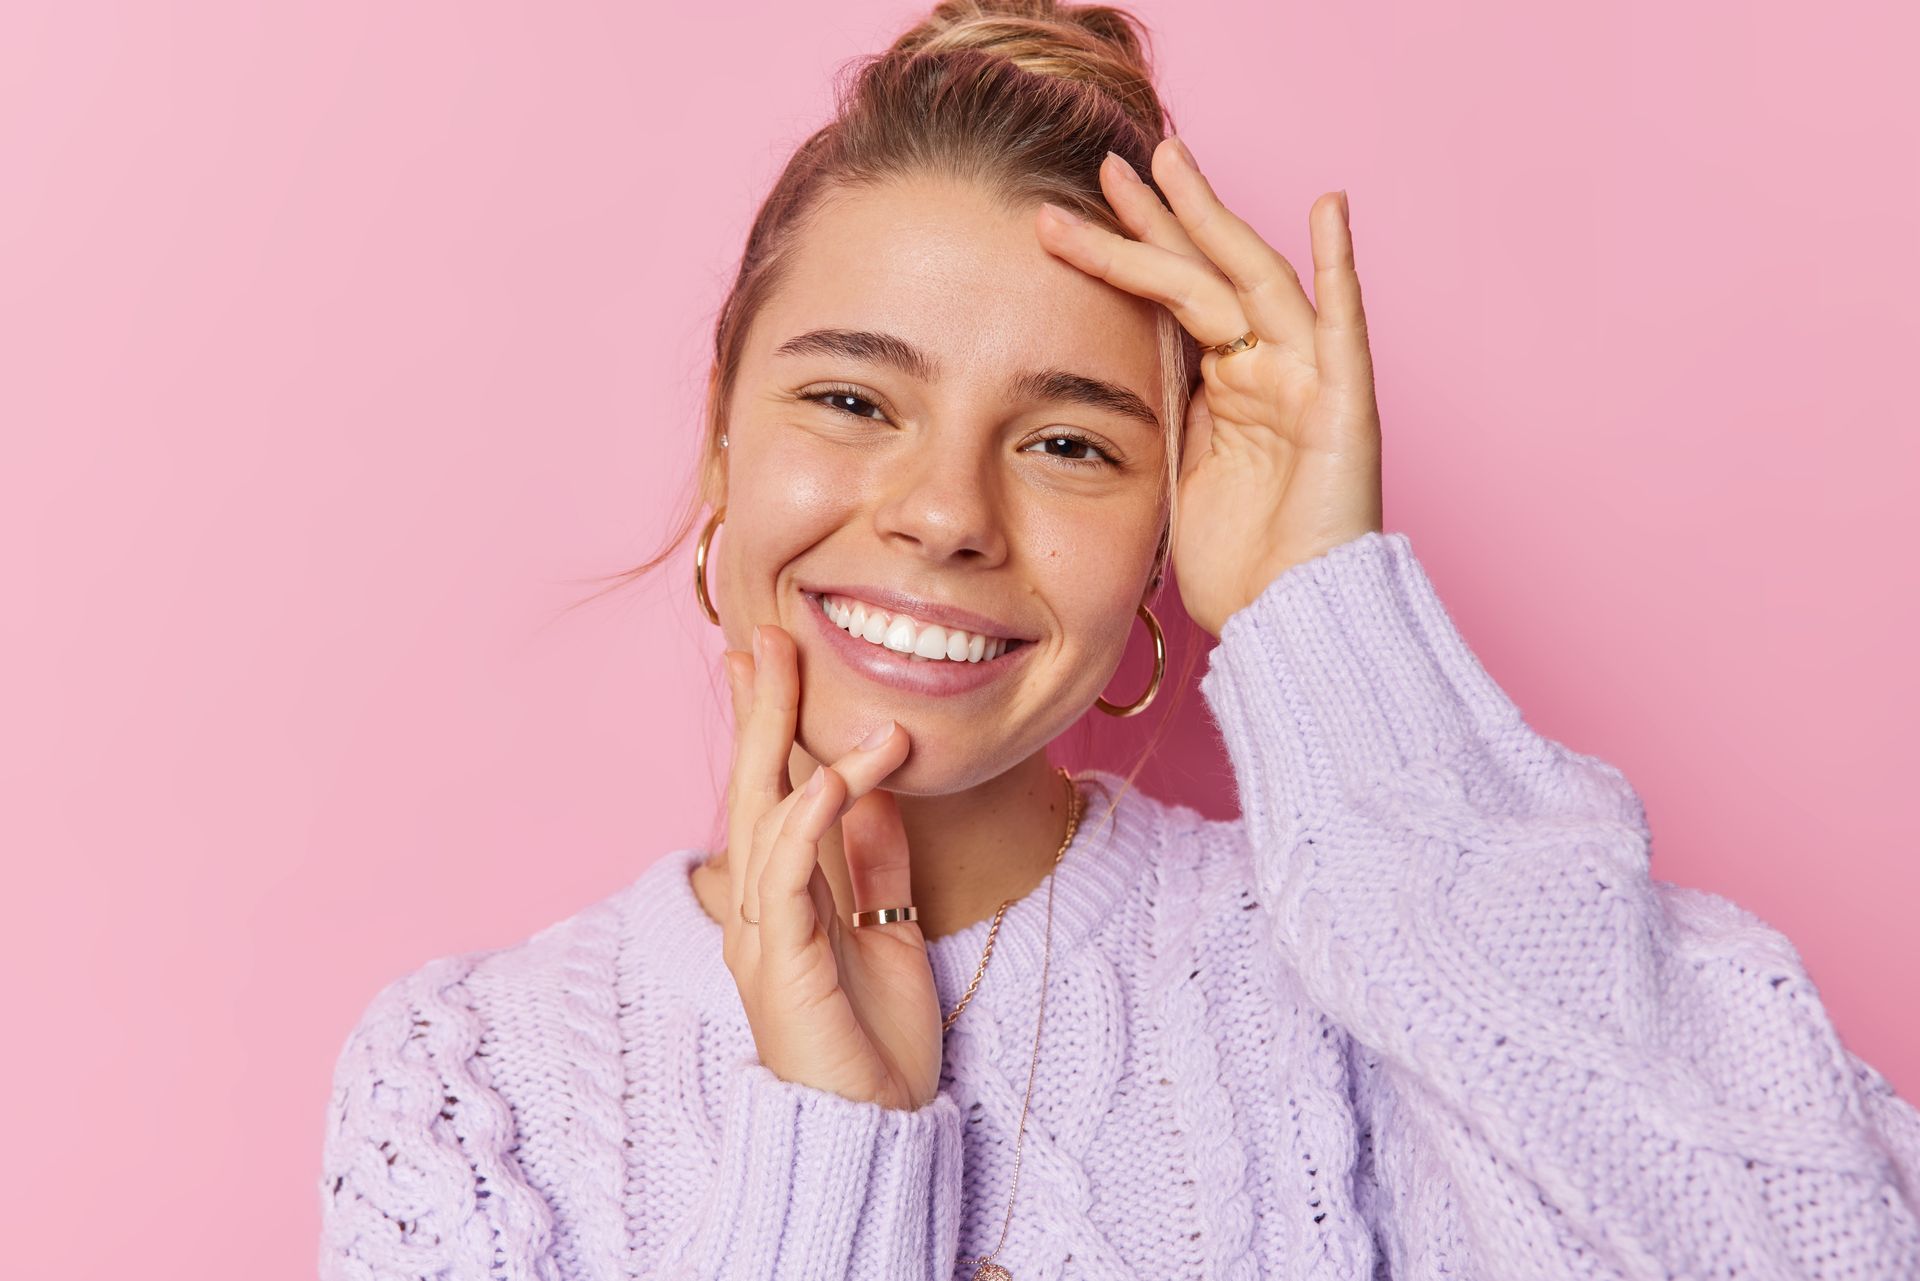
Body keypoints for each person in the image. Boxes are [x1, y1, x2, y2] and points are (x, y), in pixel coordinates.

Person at [315, 2, 1920, 1277]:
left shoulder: (1338, 982)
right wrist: (833, 1145)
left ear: (1171, 516)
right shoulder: (469, 1085)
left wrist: (1327, 613)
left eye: (1070, 441)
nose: (946, 512)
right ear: (721, 436)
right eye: (853, 398)